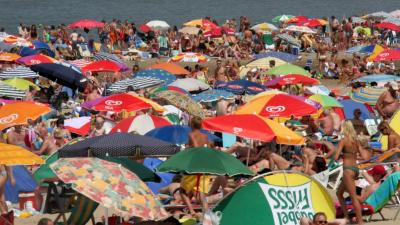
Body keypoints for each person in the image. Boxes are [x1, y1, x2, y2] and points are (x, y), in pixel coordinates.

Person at [336, 121, 368, 225]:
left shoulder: (343, 140)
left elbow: (336, 157)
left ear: (344, 128)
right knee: (339, 193)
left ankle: (360, 221)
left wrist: (343, 156)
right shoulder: (356, 141)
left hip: (348, 169)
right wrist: (351, 155)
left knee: (353, 196)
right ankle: (346, 217)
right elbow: (363, 156)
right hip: (355, 169)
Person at [180, 117, 211, 216]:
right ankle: (207, 214)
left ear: (192, 125)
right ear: (201, 125)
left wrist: (187, 149)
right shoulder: (206, 137)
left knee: (182, 191)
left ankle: (192, 211)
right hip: (205, 166)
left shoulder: (191, 134)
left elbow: (196, 148)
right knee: (201, 194)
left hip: (194, 166)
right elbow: (208, 149)